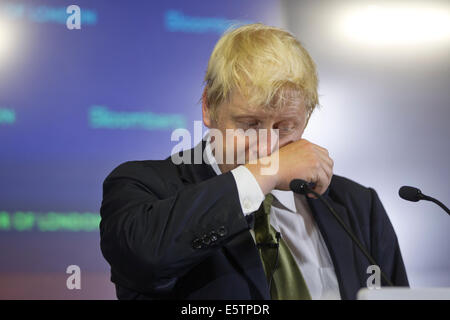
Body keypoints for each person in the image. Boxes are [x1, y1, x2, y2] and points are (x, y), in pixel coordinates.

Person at [99, 23, 408, 300]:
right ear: (209, 106)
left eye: (285, 127)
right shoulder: (142, 185)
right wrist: (263, 176)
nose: (268, 146)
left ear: (307, 117)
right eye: (250, 124)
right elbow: (146, 261)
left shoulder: (357, 205)